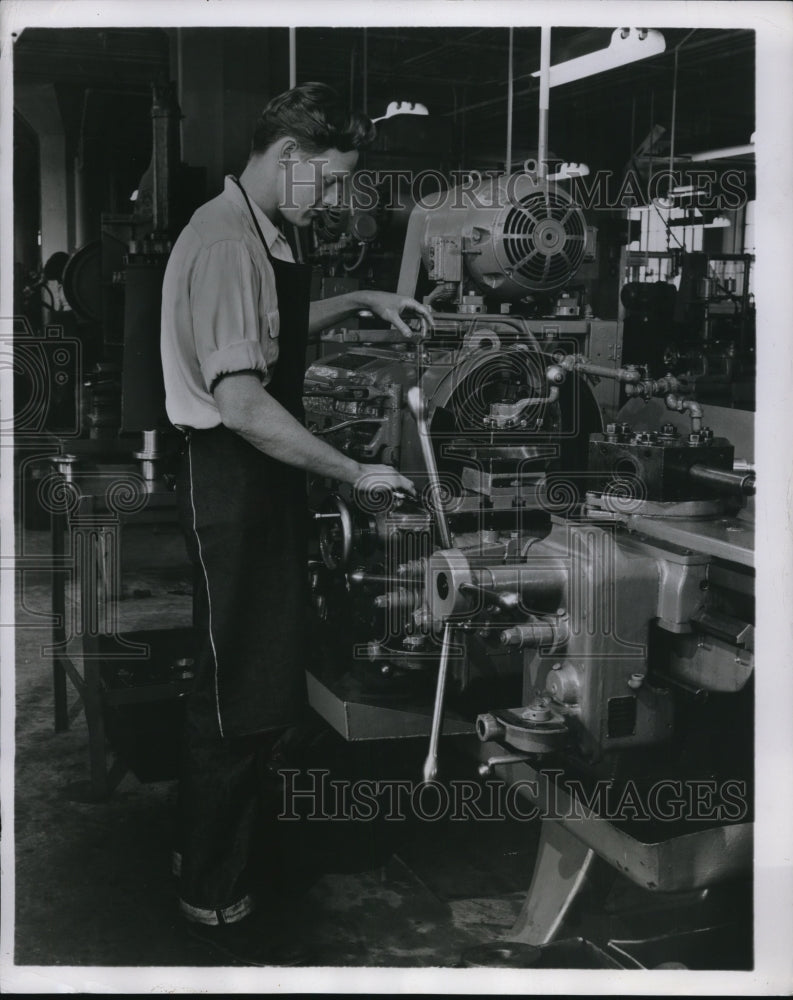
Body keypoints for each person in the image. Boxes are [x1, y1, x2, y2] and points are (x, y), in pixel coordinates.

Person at [160, 82, 430, 965]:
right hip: (234, 477)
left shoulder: (257, 234)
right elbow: (241, 402)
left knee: (248, 675)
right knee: (235, 687)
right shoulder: (227, 243)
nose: (338, 199)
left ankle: (203, 856)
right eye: (332, 180)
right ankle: (210, 887)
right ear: (289, 158)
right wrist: (354, 472)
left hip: (257, 479)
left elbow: (267, 336)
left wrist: (359, 302)